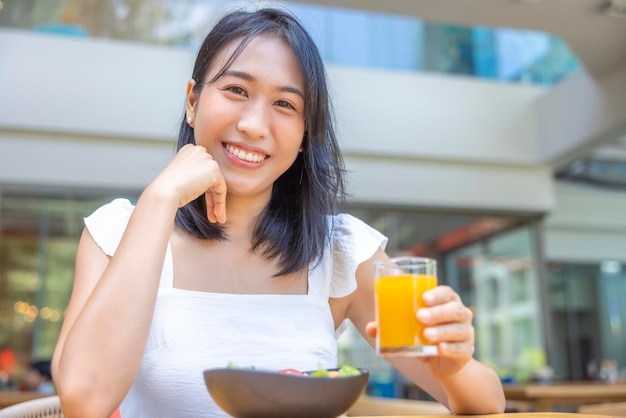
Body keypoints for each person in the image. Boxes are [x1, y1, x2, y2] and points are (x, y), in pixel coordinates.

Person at [52, 6, 505, 418]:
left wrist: (452, 367)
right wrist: (157, 202)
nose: (253, 125)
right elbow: (84, 399)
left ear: (306, 132)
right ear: (192, 101)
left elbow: (485, 402)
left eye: (285, 104)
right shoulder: (115, 232)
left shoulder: (344, 251)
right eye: (235, 89)